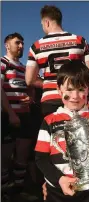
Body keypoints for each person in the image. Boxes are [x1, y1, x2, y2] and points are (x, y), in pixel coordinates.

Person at [35, 60, 89, 202]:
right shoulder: (49, 121)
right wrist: (59, 179)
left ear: (88, 89)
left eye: (81, 89)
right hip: (56, 191)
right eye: (69, 89)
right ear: (59, 90)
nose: (75, 96)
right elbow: (40, 158)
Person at [25, 5, 89, 118]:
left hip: (49, 99)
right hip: (76, 98)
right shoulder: (79, 40)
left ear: (46, 22)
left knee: (52, 133)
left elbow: (29, 80)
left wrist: (46, 83)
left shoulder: (36, 46)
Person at [1, 33, 33, 196]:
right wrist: (11, 113)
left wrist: (31, 97)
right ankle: (4, 191)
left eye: (22, 43)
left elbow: (30, 86)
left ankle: (19, 190)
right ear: (7, 45)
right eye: (17, 43)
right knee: (4, 158)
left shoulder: (24, 67)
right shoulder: (2, 62)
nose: (21, 46)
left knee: (22, 155)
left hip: (25, 116)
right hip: (6, 117)